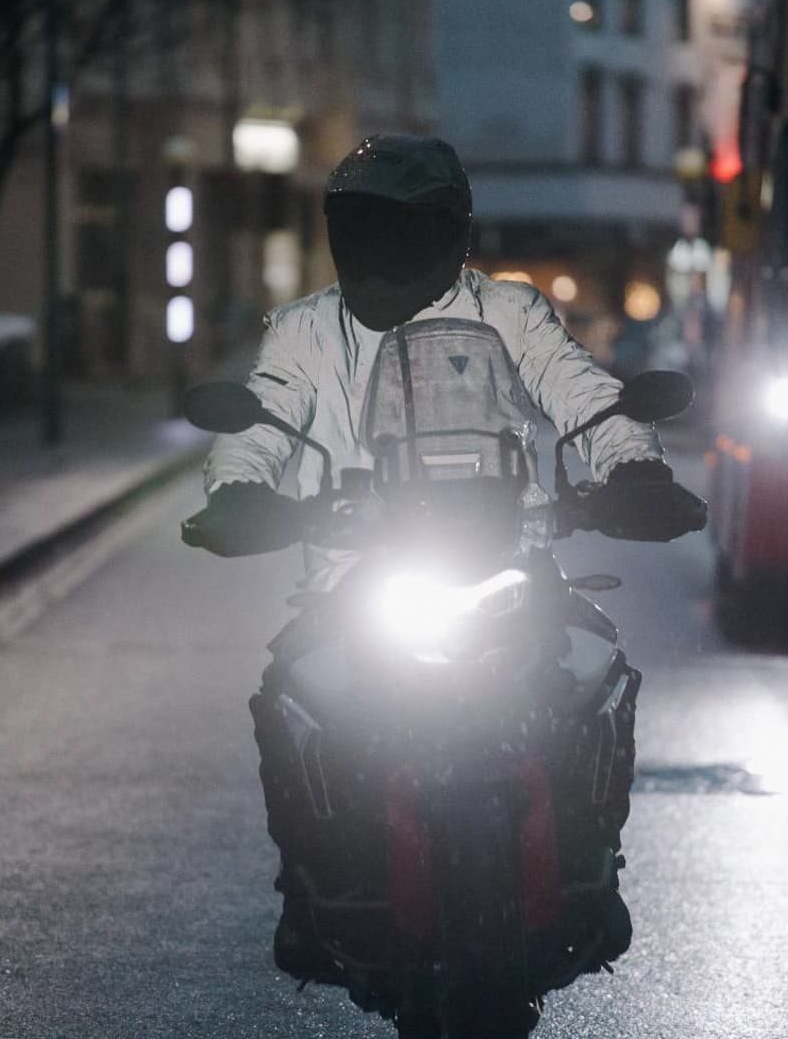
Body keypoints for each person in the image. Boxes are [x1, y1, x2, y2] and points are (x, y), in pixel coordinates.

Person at [182, 134, 703, 984]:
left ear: (447, 230)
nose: (379, 248)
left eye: (399, 228)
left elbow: (579, 390)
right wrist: (240, 490)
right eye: (362, 227)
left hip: (509, 552)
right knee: (289, 695)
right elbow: (262, 415)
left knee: (596, 671)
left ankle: (594, 862)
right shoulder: (307, 330)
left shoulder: (510, 313)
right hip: (362, 568)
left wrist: (631, 465)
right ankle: (305, 886)